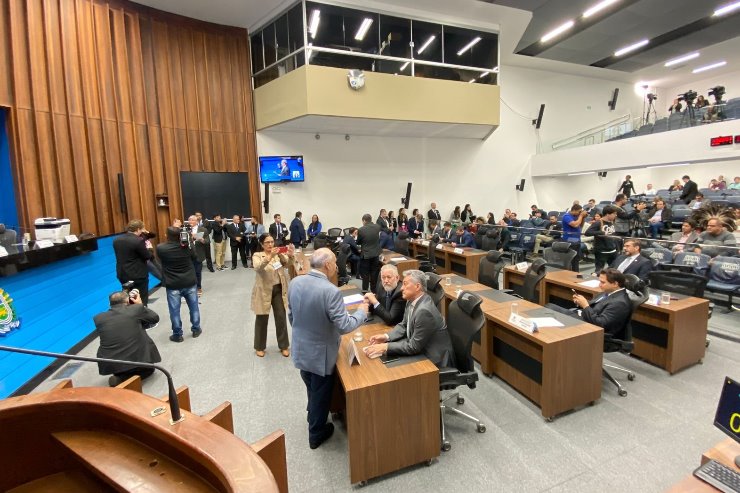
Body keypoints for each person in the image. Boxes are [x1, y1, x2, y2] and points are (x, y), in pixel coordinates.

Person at [288, 248, 369, 449]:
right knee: (321, 392)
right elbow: (344, 326)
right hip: (320, 354)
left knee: (310, 385)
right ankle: (316, 433)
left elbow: (292, 316)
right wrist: (361, 312)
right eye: (334, 262)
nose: (336, 265)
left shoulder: (295, 282)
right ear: (327, 265)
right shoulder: (330, 291)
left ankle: (312, 415)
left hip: (300, 346)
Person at [364, 270, 455, 368]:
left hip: (433, 359)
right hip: (419, 347)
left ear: (417, 287)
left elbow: (414, 347)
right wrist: (386, 337)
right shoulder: (411, 300)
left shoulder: (424, 311)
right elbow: (404, 325)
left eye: (405, 284)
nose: (401, 288)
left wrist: (385, 347)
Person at [94, 289, 160, 386]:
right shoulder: (135, 309)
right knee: (150, 370)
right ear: (127, 301)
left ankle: (121, 376)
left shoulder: (98, 318)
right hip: (137, 357)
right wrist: (139, 304)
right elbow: (155, 318)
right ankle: (123, 379)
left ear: (110, 304)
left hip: (111, 362)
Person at [548, 269, 632, 338]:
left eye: (603, 282)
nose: (599, 285)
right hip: (584, 315)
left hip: (590, 325)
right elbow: (595, 305)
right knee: (549, 307)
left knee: (552, 318)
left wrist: (585, 305)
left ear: (615, 284)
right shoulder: (607, 292)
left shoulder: (620, 302)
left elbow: (601, 323)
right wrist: (581, 301)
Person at [156, 227, 202, 342]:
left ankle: (177, 334)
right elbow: (195, 258)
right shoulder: (187, 247)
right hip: (189, 282)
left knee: (174, 310)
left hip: (173, 283)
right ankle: (196, 329)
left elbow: (160, 259)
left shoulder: (161, 248)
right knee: (194, 307)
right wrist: (190, 242)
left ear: (167, 235)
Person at [252, 234, 294, 358]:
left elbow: (288, 264)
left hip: (278, 289)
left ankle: (284, 346)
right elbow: (258, 268)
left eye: (272, 242)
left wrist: (290, 255)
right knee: (262, 318)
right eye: (267, 242)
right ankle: (259, 346)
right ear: (261, 244)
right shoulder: (257, 255)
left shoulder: (277, 255)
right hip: (264, 290)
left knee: (281, 317)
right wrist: (269, 256)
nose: (270, 244)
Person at [113, 219, 153, 305]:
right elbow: (147, 256)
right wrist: (150, 249)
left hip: (122, 274)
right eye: (142, 229)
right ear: (138, 229)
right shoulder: (138, 240)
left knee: (127, 298)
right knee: (141, 298)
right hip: (138, 274)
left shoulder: (116, 240)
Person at [585, 205, 620, 272]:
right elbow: (587, 233)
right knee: (599, 270)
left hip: (613, 250)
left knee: (613, 270)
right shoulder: (598, 223)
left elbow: (613, 236)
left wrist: (617, 249)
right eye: (614, 214)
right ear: (607, 214)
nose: (616, 215)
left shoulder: (611, 222)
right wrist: (601, 232)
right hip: (602, 251)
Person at [357, 213, 382, 291]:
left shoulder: (361, 229)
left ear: (364, 221)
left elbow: (358, 242)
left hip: (366, 255)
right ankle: (374, 290)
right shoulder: (378, 227)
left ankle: (365, 291)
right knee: (374, 273)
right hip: (376, 254)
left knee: (365, 274)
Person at [187, 215, 210, 296]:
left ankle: (198, 287)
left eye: (193, 220)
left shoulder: (203, 229)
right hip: (188, 254)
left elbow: (207, 241)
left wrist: (201, 239)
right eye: (189, 220)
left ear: (197, 221)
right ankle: (190, 287)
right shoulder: (186, 230)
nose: (191, 222)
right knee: (189, 272)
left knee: (197, 272)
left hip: (198, 253)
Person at [562, 204, 588, 271]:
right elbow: (575, 225)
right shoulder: (566, 216)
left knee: (576, 260)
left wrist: (583, 217)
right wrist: (581, 215)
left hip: (576, 240)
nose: (580, 213)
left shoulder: (576, 216)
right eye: (579, 211)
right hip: (569, 240)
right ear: (573, 210)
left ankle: (575, 274)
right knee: (570, 259)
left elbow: (580, 225)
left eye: (580, 212)